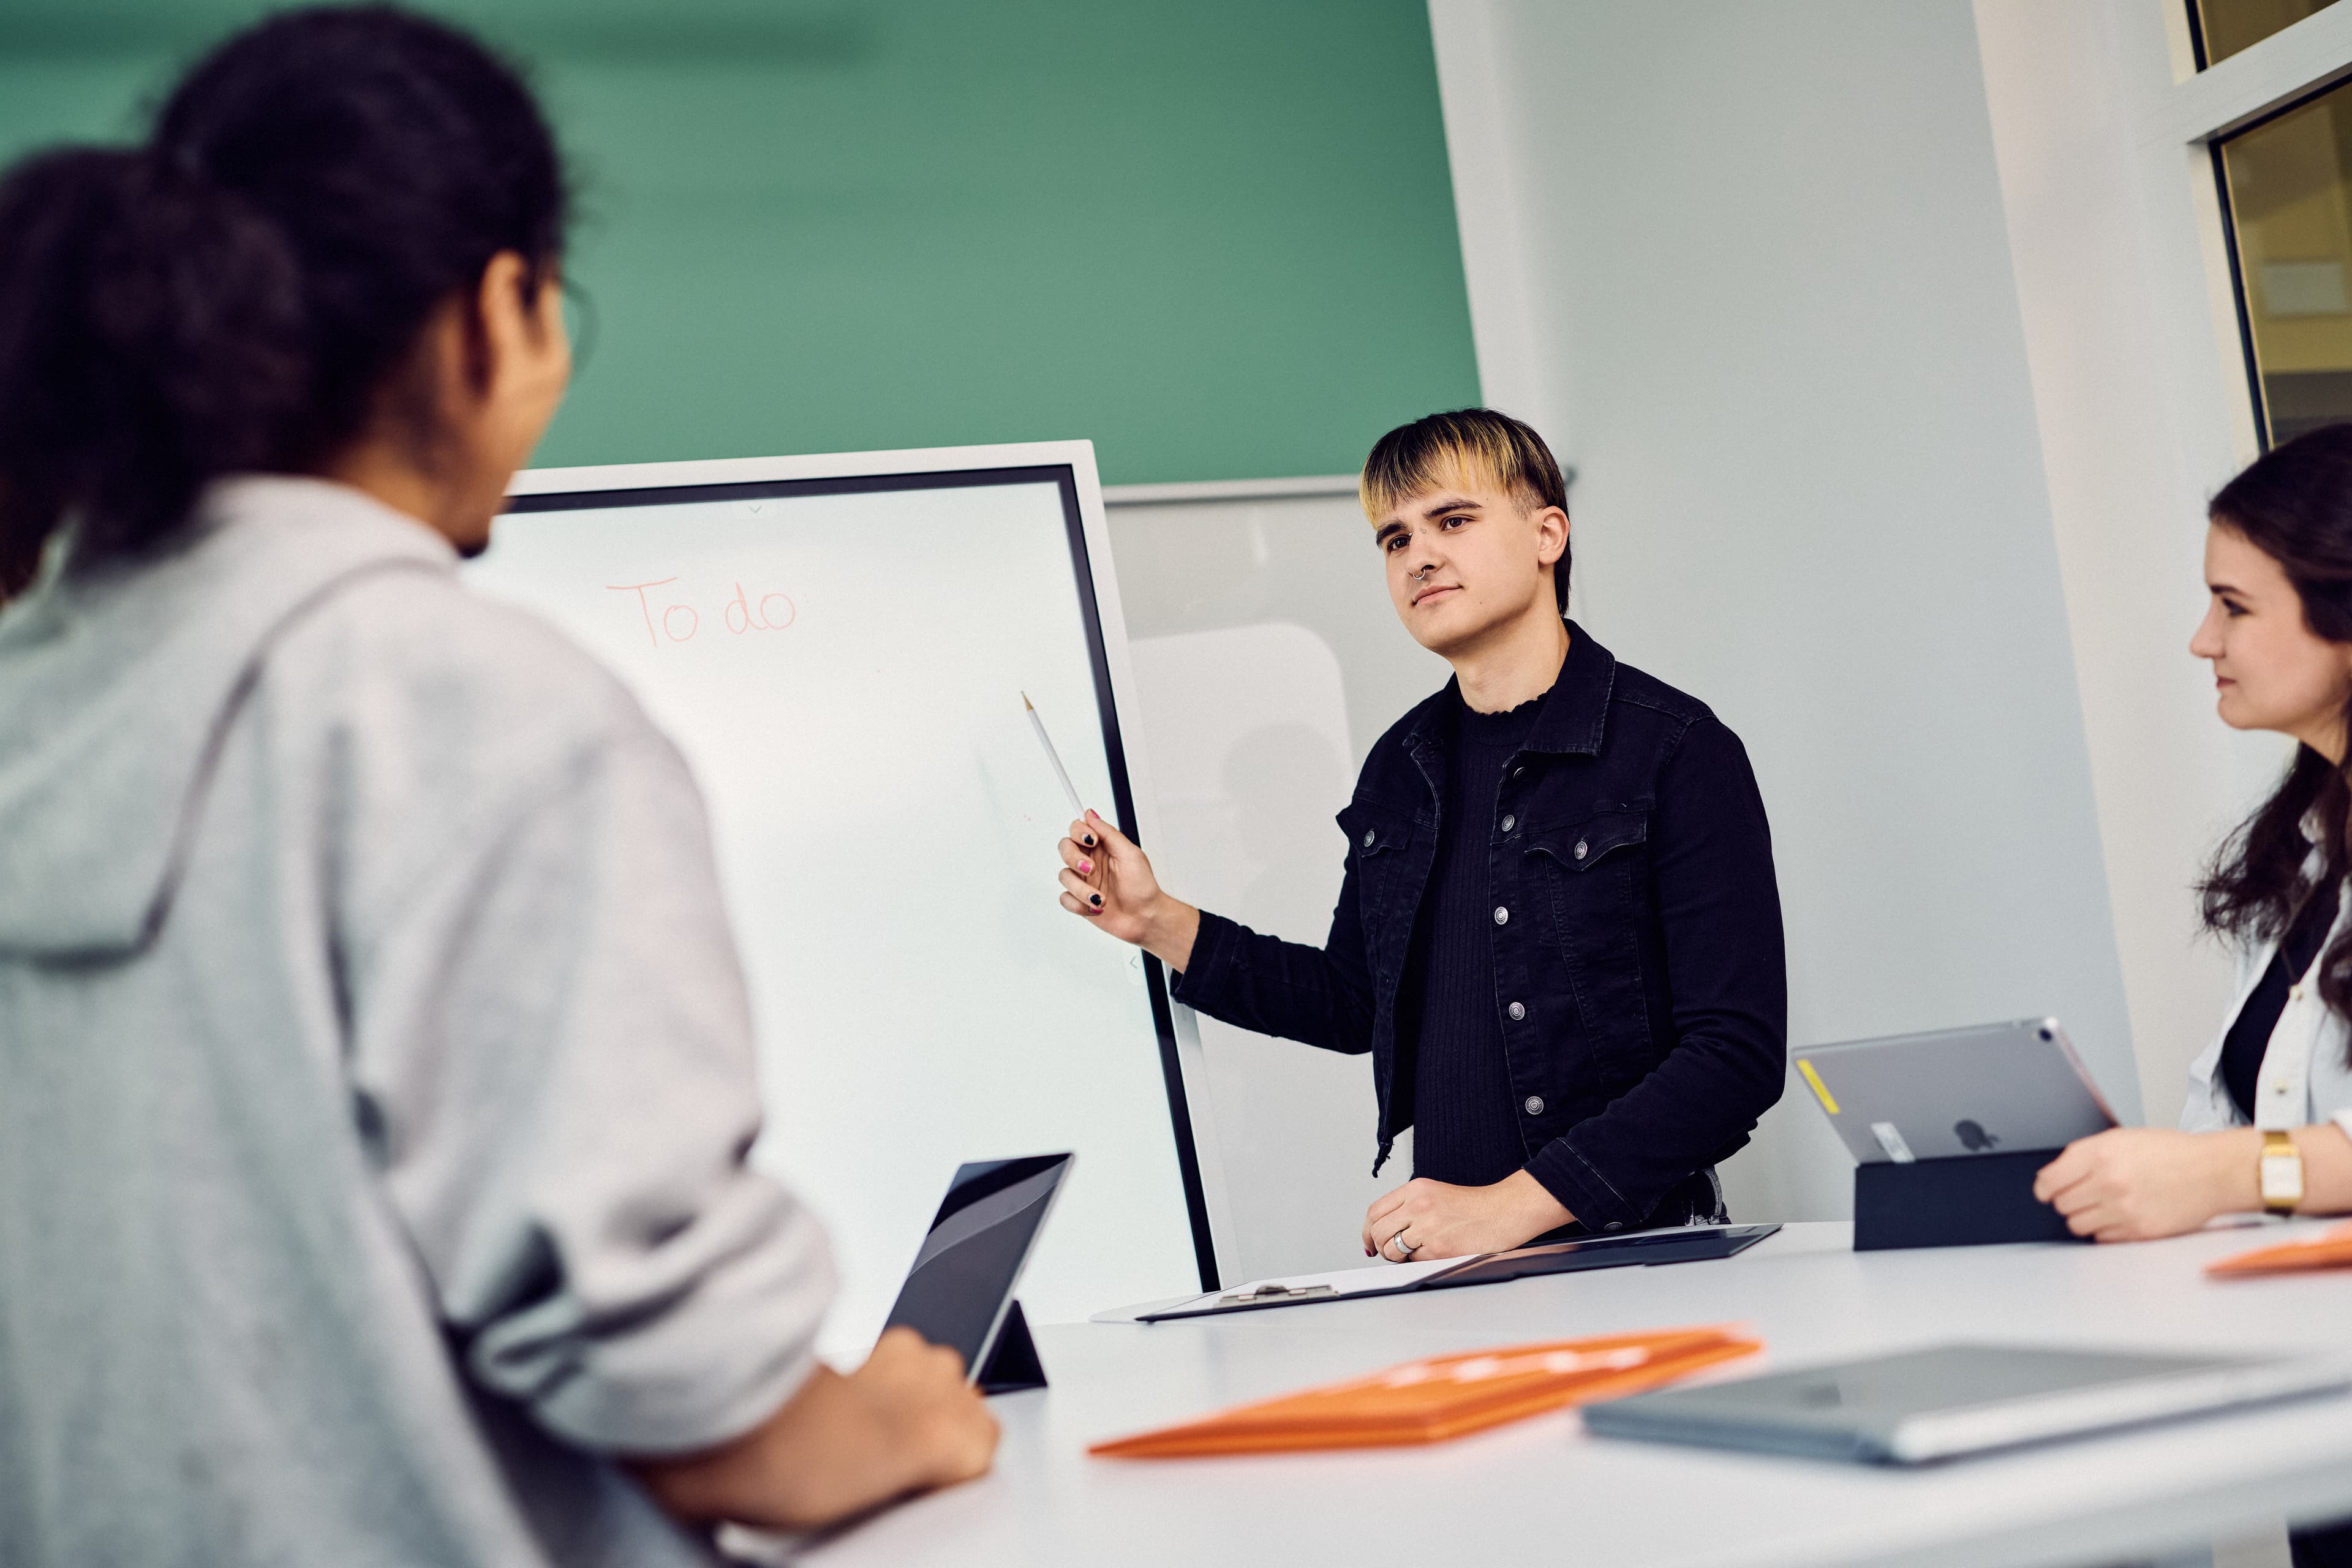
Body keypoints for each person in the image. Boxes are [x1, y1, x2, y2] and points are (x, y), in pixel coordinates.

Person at [0, 10, 993, 1565]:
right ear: (498, 314)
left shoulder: (33, 685)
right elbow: (681, 1382)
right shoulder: (459, 704)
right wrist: (888, 1417)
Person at [1056, 408, 1786, 1261]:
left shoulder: (1675, 749)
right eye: (1394, 539)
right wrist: (1154, 921)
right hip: (1456, 1267)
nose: (1419, 555)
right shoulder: (1401, 767)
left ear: (1548, 531)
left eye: (1453, 520)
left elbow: (1733, 1057)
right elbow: (1356, 1001)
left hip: (1639, 1256)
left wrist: (1512, 1207)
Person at [2034, 425, 2352, 1243]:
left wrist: (2219, 1175)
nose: (2203, 640)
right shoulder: (2307, 859)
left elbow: (2236, 1165)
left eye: (2235, 607)